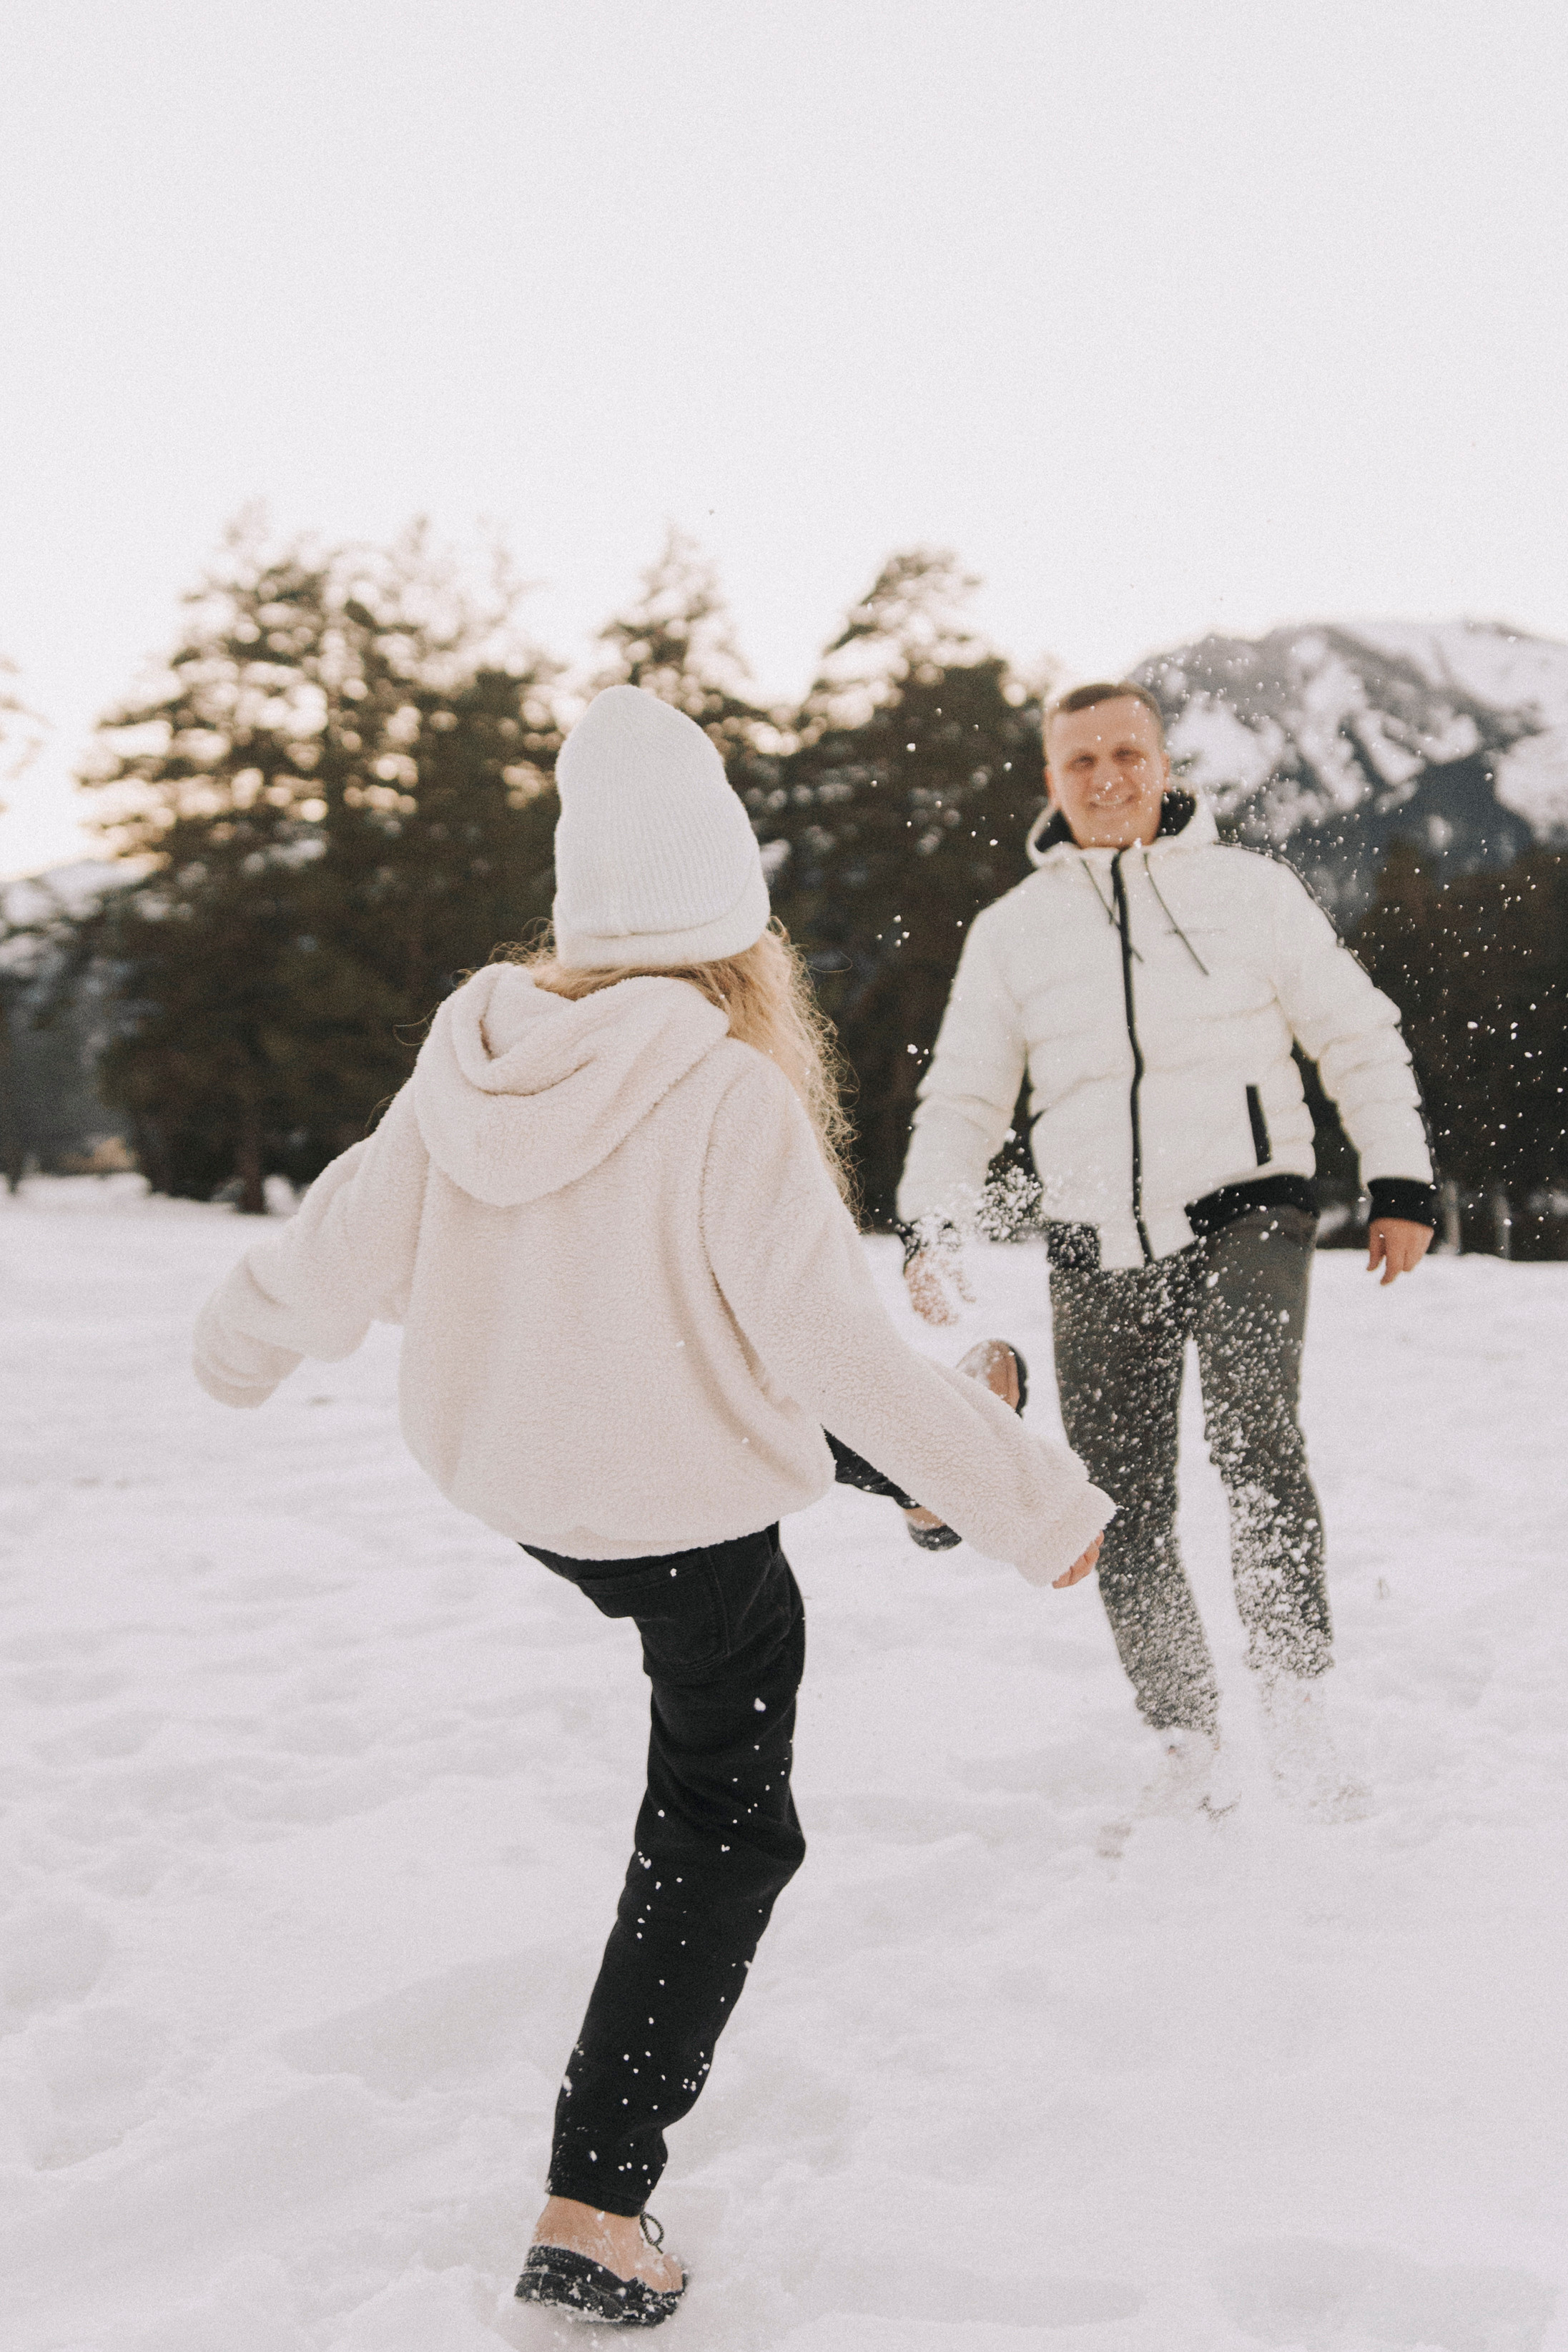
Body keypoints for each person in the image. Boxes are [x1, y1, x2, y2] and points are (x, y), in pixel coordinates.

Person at [192, 684, 1111, 2328]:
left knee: (740, 1393)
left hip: (521, 1475)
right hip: (679, 1519)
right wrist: (1032, 1508)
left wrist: (237, 1343)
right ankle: (596, 2203)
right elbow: (825, 1343)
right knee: (722, 1818)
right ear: (733, 922)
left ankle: (924, 1462)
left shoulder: (475, 1052)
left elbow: (334, 1245)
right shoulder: (724, 1091)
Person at [897, 680, 1437, 1802]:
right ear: (1051, 782)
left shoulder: (1250, 893)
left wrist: (1398, 1176)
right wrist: (932, 1224)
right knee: (1117, 1500)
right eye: (1081, 761)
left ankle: (1294, 1699)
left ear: (1164, 765)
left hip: (1252, 1202)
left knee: (1252, 1427)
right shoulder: (1013, 932)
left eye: (1126, 754)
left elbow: (1353, 1029)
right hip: (1095, 1235)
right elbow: (962, 1095)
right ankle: (1186, 1732)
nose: (1107, 778)